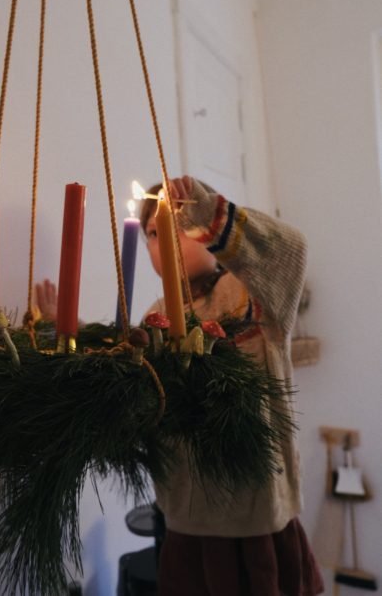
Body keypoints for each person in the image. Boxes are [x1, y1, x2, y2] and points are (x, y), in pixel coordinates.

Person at [141, 176, 324, 596]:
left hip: (257, 520)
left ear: (208, 234)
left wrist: (207, 210)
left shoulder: (252, 295)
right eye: (153, 232)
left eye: (178, 223)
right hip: (188, 521)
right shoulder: (154, 319)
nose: (164, 239)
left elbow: (289, 249)